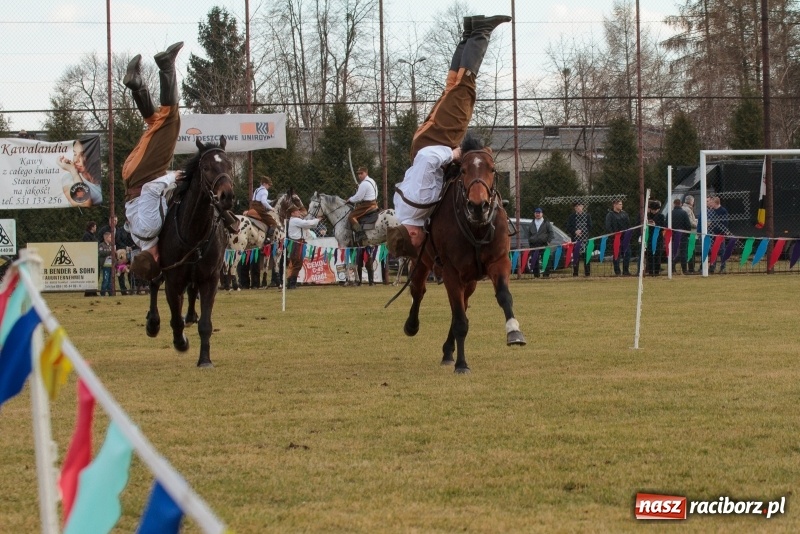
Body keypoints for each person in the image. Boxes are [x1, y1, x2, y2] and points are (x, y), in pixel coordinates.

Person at [388, 14, 512, 256]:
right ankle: (469, 33)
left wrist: (454, 153)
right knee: (453, 86)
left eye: (416, 246)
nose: (421, 246)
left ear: (412, 234)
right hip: (426, 140)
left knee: (464, 88)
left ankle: (480, 33)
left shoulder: (418, 205)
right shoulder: (402, 211)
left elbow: (426, 159)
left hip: (436, 142)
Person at [121, 42, 184, 282]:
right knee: (157, 121)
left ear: (156, 260)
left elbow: (150, 190)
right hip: (137, 175)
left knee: (171, 119)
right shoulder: (140, 238)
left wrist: (173, 177)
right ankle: (137, 85)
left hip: (144, 176)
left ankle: (166, 66)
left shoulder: (149, 229)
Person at [285, 203, 322, 289]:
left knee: (296, 263)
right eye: (296, 211)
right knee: (297, 263)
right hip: (296, 243)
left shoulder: (296, 220)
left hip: (299, 243)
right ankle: (292, 284)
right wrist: (317, 220)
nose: (298, 212)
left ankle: (291, 283)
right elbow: (306, 223)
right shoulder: (295, 220)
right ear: (292, 213)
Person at [58, 138, 102, 207]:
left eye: (82, 154)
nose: (76, 160)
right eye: (75, 154)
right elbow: (84, 203)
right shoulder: (68, 178)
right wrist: (73, 170)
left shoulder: (100, 178)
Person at [347, 166, 379, 245]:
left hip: (367, 205)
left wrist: (350, 199)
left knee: (351, 217)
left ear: (366, 173)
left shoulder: (364, 184)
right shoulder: (372, 181)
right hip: (375, 203)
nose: (359, 175)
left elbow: (358, 198)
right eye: (358, 174)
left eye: (361, 173)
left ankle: (361, 234)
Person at [604, 199, 631, 276]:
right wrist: (614, 234)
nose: (621, 205)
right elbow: (608, 226)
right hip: (616, 238)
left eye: (621, 204)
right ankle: (617, 272)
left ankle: (626, 271)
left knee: (627, 253)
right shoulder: (610, 215)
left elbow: (628, 225)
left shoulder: (624, 214)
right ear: (614, 205)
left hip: (625, 237)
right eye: (619, 204)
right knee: (616, 254)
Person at [566, 200, 592, 277]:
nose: (578, 208)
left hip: (585, 239)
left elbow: (590, 226)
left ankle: (587, 273)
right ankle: (575, 273)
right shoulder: (572, 217)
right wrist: (575, 231)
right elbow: (568, 227)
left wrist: (582, 231)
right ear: (575, 208)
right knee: (576, 257)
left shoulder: (587, 216)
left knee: (586, 256)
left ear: (583, 207)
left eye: (580, 206)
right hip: (575, 240)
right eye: (576, 206)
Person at [527, 207, 554, 278]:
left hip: (543, 244)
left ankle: (546, 275)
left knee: (545, 259)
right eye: (536, 213)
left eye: (539, 213)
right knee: (534, 260)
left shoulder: (546, 223)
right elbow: (529, 234)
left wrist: (548, 241)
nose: (537, 214)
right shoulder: (531, 224)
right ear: (534, 214)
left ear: (542, 214)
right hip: (534, 245)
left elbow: (551, 233)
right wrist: (530, 241)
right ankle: (536, 275)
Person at [643, 200, 666, 276]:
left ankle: (656, 272)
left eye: (655, 210)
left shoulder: (661, 216)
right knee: (649, 255)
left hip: (658, 238)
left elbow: (663, 227)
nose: (653, 211)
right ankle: (650, 272)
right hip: (649, 238)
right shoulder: (647, 216)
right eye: (652, 209)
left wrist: (655, 224)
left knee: (657, 255)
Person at [707, 195, 730, 273]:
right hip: (713, 233)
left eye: (712, 202)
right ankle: (712, 267)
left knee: (722, 251)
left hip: (720, 234)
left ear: (716, 203)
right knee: (713, 250)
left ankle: (723, 267)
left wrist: (722, 232)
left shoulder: (723, 211)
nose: (711, 204)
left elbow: (725, 223)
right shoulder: (712, 211)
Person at [671, 198, 692, 274]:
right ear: (681, 204)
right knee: (683, 252)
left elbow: (666, 224)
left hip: (673, 235)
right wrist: (687, 234)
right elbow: (688, 225)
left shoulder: (671, 213)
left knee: (674, 252)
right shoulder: (684, 213)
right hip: (683, 235)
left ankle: (672, 267)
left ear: (674, 204)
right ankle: (684, 270)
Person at [681, 195, 698, 273]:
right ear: (691, 201)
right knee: (691, 251)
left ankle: (690, 268)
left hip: (685, 233)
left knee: (686, 251)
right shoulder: (688, 210)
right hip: (691, 233)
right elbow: (690, 222)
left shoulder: (683, 208)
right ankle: (691, 268)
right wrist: (699, 223)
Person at [98, 231, 114, 296]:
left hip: (111, 265)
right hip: (105, 265)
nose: (111, 238)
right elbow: (101, 253)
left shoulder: (111, 245)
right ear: (106, 238)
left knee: (110, 279)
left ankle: (110, 292)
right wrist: (110, 252)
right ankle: (103, 292)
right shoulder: (101, 245)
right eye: (110, 237)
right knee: (105, 278)